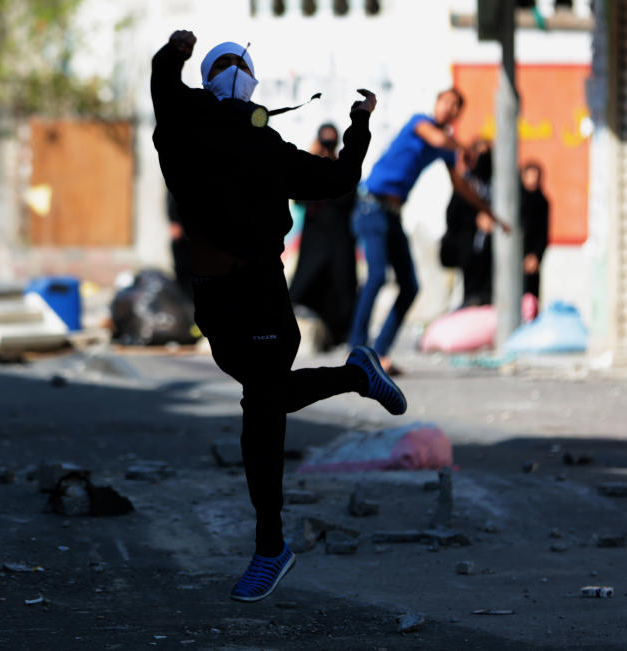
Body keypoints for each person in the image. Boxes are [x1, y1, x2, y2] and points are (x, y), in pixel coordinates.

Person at [151, 30, 406, 603]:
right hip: (214, 298)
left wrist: (175, 49)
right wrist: (358, 123)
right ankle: (355, 375)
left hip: (260, 294)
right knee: (268, 396)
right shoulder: (193, 133)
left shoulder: (234, 140)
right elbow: (341, 177)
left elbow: (338, 181)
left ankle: (271, 546)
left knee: (261, 413)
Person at [347, 89, 509, 374]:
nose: (450, 108)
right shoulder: (420, 122)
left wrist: (490, 212)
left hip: (394, 215)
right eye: (447, 102)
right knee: (376, 276)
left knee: (409, 286)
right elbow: (437, 137)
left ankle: (378, 353)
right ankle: (356, 349)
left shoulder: (447, 145)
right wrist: (465, 148)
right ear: (437, 103)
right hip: (371, 207)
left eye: (456, 106)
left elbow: (461, 185)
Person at [288, 123, 358, 347]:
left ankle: (340, 335)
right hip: (314, 239)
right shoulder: (309, 164)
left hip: (339, 238)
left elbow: (348, 195)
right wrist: (311, 157)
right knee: (305, 284)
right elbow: (298, 197)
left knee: (341, 286)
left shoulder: (343, 166)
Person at [440, 140, 494, 307]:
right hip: (469, 251)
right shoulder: (465, 184)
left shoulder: (498, 186)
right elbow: (453, 215)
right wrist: (476, 220)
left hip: (493, 255)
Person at [520, 161, 549, 314]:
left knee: (531, 300)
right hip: (516, 257)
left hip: (532, 260)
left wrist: (535, 256)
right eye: (529, 176)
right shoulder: (516, 201)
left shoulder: (542, 202)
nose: (532, 180)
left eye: (535, 176)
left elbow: (543, 233)